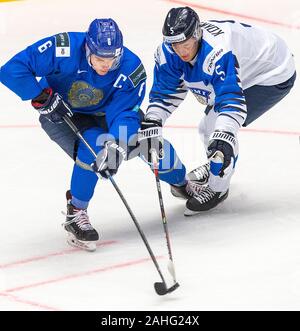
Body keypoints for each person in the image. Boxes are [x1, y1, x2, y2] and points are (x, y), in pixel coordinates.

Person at [0, 18, 147, 251]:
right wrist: (41, 96)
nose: (105, 65)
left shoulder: (131, 68)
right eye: (99, 58)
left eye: (112, 59)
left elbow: (126, 113)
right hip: (64, 115)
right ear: (87, 47)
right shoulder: (64, 47)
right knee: (94, 148)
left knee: (152, 145)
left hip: (107, 116)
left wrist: (118, 144)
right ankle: (76, 211)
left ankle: (183, 184)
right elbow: (11, 70)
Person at [138, 6, 296, 216]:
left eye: (185, 44)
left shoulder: (218, 51)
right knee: (212, 129)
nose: (181, 51)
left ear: (197, 34)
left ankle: (218, 188)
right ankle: (217, 163)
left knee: (213, 129)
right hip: (248, 64)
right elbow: (165, 92)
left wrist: (224, 136)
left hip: (272, 72)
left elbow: (230, 98)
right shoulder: (168, 53)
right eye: (175, 45)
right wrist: (154, 119)